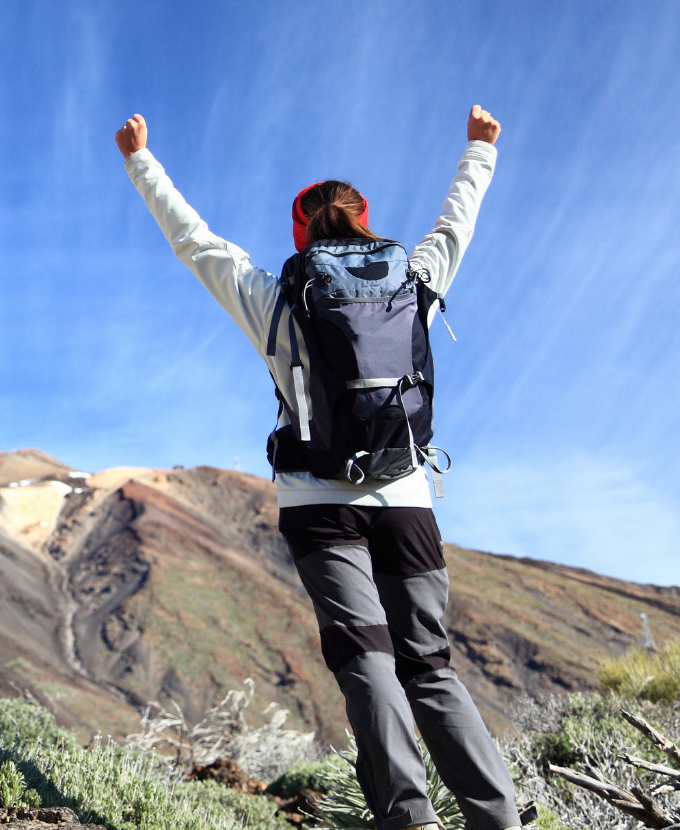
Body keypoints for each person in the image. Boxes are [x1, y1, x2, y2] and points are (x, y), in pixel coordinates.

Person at [116, 106, 520, 830]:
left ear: (300, 232)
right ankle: (500, 821)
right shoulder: (412, 281)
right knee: (429, 665)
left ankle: (411, 821)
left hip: (317, 503)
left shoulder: (276, 299)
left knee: (367, 660)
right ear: (366, 221)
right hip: (407, 499)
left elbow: (195, 242)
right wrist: (479, 153)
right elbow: (455, 226)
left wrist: (141, 161)